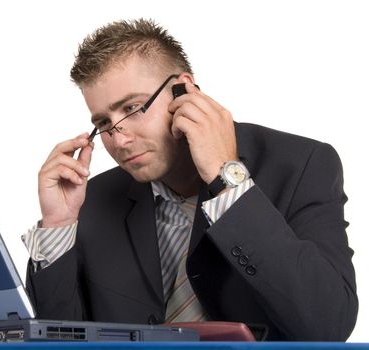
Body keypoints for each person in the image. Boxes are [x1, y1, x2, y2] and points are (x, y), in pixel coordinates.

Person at [22, 18, 357, 341]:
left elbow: (328, 324)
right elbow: (56, 338)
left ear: (184, 89)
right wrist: (58, 225)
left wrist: (229, 182)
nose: (120, 139)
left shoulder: (300, 165)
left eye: (133, 108)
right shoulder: (92, 199)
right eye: (104, 121)